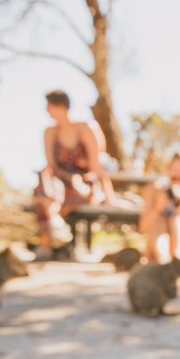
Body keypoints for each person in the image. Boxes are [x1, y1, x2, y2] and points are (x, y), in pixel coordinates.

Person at [31, 90, 125, 259]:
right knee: (44, 192)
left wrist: (110, 197)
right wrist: (66, 178)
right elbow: (51, 166)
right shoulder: (50, 132)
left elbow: (96, 166)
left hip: (83, 184)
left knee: (45, 195)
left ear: (61, 106)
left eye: (49, 106)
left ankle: (51, 236)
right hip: (59, 182)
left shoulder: (85, 128)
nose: (47, 110)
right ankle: (51, 236)